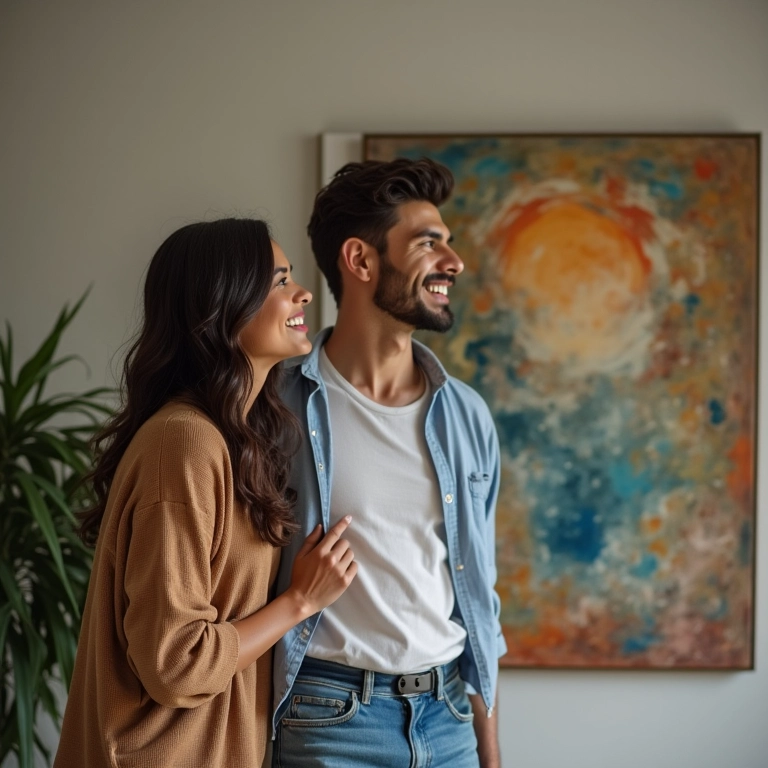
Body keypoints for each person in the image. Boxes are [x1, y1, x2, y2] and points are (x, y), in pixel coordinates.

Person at [55, 218, 357, 768]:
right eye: (277, 280)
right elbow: (176, 662)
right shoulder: (185, 443)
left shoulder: (231, 439)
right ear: (221, 307)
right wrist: (300, 601)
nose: (302, 292)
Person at [272, 159, 505, 768]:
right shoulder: (276, 406)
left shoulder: (467, 416)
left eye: (448, 244)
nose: (453, 262)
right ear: (362, 261)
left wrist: (489, 751)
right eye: (429, 243)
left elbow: (479, 598)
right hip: (329, 719)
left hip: (450, 715)